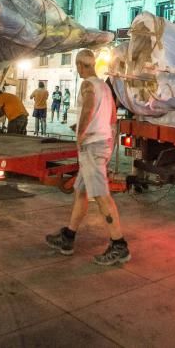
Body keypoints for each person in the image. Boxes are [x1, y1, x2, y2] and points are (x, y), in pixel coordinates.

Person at [46, 49, 130, 265]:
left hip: (92, 145)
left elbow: (89, 108)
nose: (77, 70)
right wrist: (105, 138)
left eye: (77, 65)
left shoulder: (88, 85)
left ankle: (119, 244)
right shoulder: (105, 87)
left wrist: (81, 134)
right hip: (102, 143)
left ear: (81, 65)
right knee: (81, 191)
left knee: (101, 195)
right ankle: (68, 237)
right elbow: (112, 115)